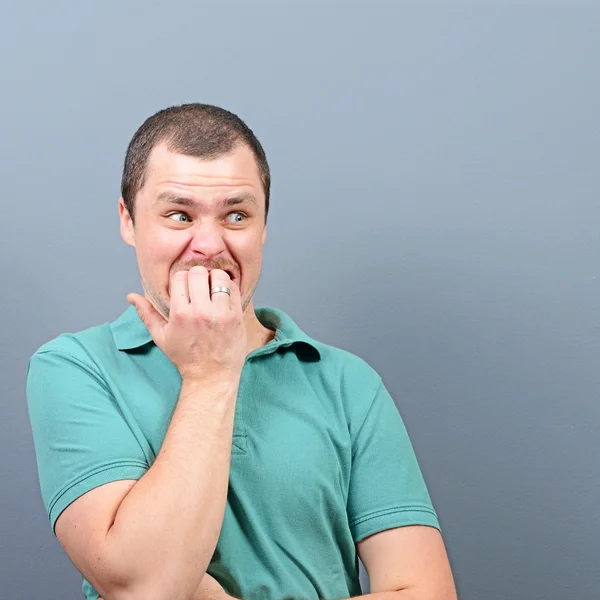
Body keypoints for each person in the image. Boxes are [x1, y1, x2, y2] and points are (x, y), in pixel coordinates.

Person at [26, 103, 457, 600]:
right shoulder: (75, 369)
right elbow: (145, 587)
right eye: (178, 214)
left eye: (236, 214)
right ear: (128, 220)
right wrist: (210, 374)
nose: (209, 244)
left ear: (263, 226)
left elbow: (427, 592)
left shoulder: (347, 382)